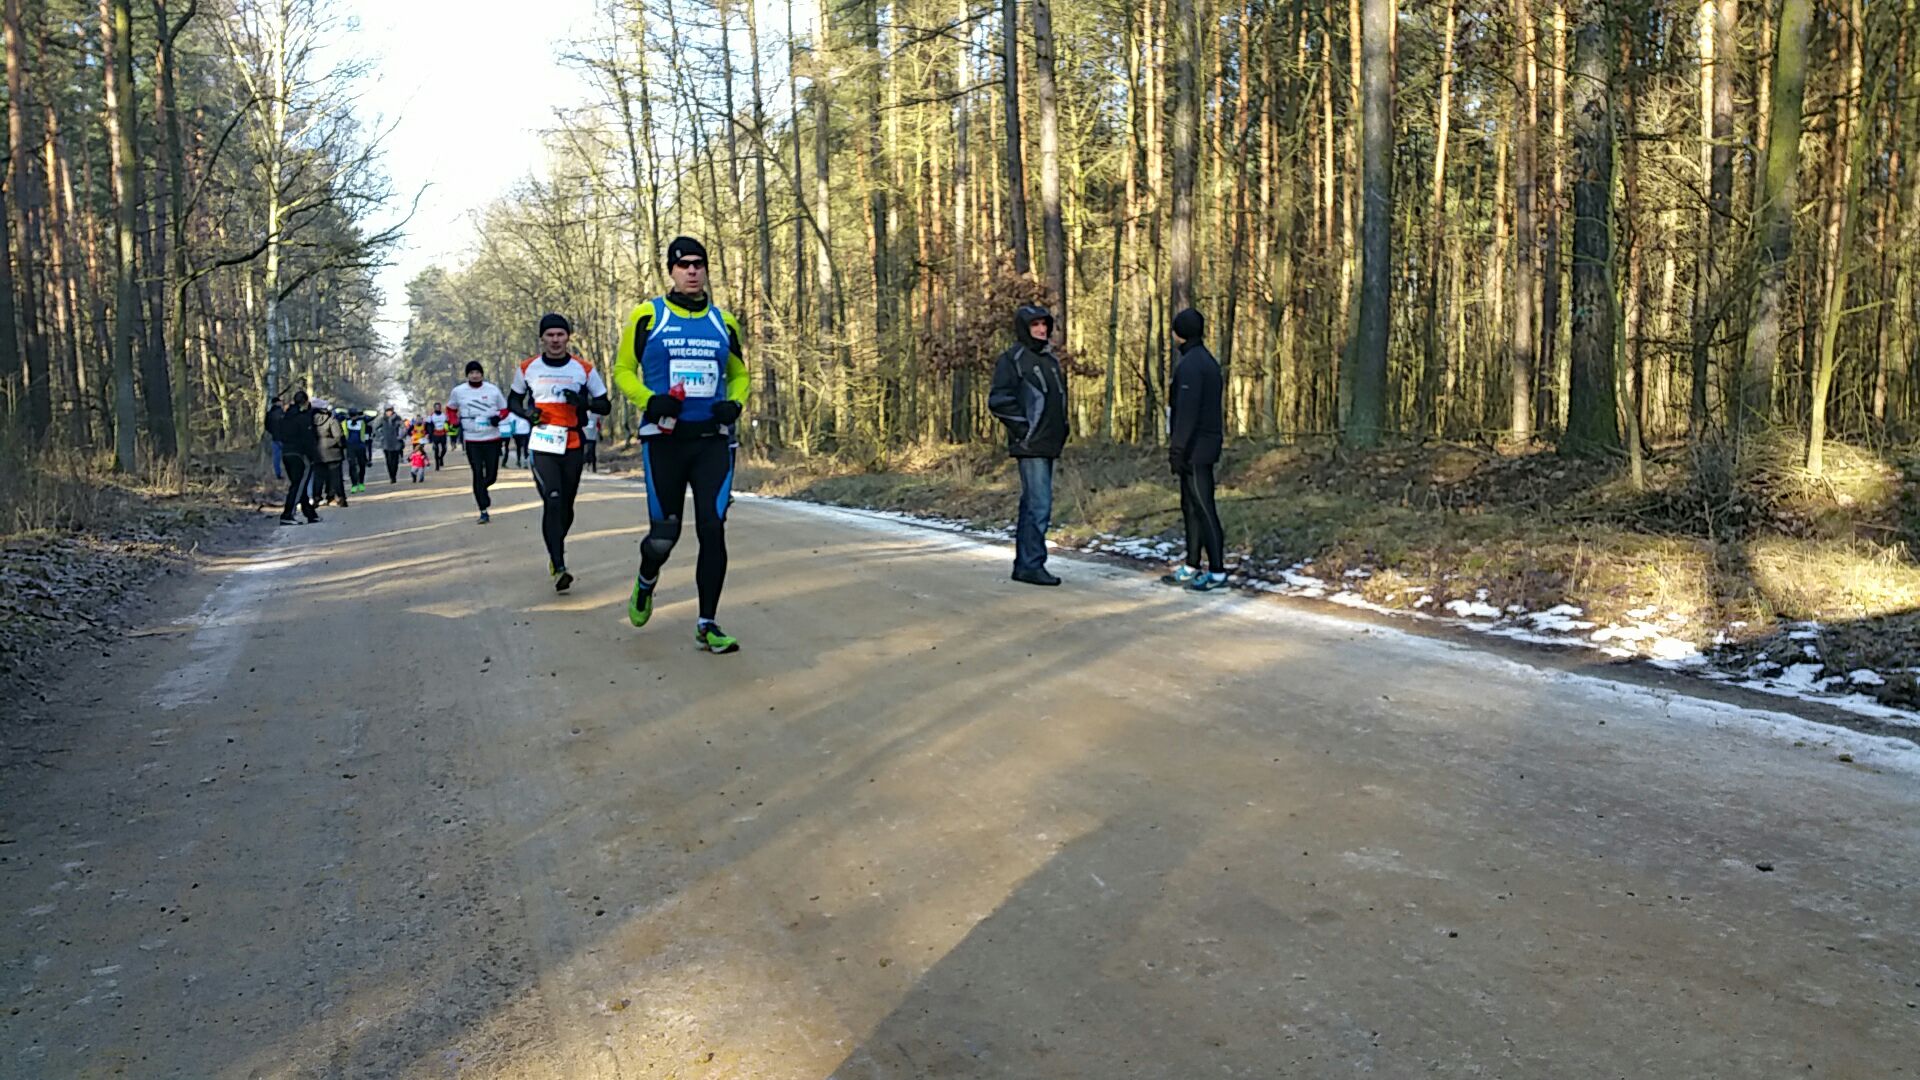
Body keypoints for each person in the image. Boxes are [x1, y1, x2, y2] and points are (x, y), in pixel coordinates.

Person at [613, 236, 750, 654]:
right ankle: (646, 580)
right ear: (671, 271)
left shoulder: (723, 322)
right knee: (663, 537)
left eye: (698, 264)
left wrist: (734, 404)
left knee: (713, 528)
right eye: (683, 264)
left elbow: (740, 375)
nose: (692, 270)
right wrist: (649, 400)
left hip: (712, 442)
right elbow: (622, 370)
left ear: (706, 269)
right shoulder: (648, 316)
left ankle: (708, 624)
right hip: (665, 442)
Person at [509, 313, 612, 592]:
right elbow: (513, 401)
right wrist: (528, 413)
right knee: (552, 499)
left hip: (573, 443)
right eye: (550, 335)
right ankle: (559, 564)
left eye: (560, 335)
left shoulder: (583, 369)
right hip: (543, 443)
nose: (555, 340)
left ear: (568, 337)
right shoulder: (528, 368)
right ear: (542, 338)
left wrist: (583, 402)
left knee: (566, 506)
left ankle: (556, 544)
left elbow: (605, 405)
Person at [988, 303, 1069, 586]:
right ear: (1024, 328)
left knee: (1032, 505)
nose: (1041, 329)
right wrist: (1024, 429)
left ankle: (1025, 565)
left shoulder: (1051, 361)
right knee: (1039, 505)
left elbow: (1058, 399)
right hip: (1030, 444)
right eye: (1035, 324)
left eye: (1044, 324)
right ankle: (1033, 564)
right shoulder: (1012, 359)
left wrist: (1063, 428)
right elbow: (999, 400)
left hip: (1049, 443)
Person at [1161, 308, 1228, 591]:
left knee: (1203, 506)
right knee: (1190, 506)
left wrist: (1177, 450)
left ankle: (1217, 571)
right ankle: (1192, 564)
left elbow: (1186, 413)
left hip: (1197, 449)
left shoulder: (1191, 365)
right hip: (1200, 445)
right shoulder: (1206, 361)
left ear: (1179, 334)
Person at [448, 360, 509, 523]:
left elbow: (504, 409)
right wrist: (454, 421)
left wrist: (498, 418)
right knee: (477, 472)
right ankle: (483, 508)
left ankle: (482, 489)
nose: (475, 376)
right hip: (472, 439)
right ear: (467, 375)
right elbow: (451, 409)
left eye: (477, 373)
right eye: (471, 373)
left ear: (482, 374)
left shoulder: (492, 390)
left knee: (491, 475)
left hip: (492, 437)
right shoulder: (458, 391)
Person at [275, 391, 321, 525]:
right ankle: (288, 514)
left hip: (286, 452)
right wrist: (313, 456)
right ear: (305, 402)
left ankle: (310, 513)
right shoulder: (303, 418)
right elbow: (308, 439)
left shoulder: (285, 416)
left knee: (299, 484)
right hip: (300, 455)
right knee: (299, 485)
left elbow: (278, 433)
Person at [312, 402, 348, 507]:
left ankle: (316, 497)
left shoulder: (310, 421)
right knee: (336, 477)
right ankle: (340, 498)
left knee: (318, 477)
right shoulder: (332, 420)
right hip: (333, 452)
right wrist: (341, 446)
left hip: (317, 453)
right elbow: (338, 436)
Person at [377, 405, 406, 483]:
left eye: (390, 410)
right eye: (387, 410)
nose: (389, 412)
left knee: (395, 461)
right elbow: (376, 428)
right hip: (386, 443)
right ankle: (391, 476)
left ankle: (394, 475)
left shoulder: (398, 418)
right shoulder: (382, 419)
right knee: (389, 461)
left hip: (396, 442)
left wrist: (400, 436)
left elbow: (403, 428)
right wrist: (381, 436)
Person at [344, 410, 369, 493]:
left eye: (355, 415)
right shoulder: (346, 422)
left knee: (362, 465)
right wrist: (345, 414)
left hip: (361, 446)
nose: (354, 417)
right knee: (352, 466)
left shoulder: (362, 421)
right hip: (350, 447)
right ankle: (354, 484)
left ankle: (361, 482)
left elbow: (373, 415)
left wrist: (363, 413)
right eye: (352, 415)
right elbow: (336, 413)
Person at [263, 395, 286, 479]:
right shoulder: (283, 413)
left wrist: (273, 432)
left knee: (276, 457)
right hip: (283, 438)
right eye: (280, 401)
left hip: (274, 438)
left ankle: (278, 473)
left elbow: (267, 426)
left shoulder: (269, 414)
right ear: (277, 403)